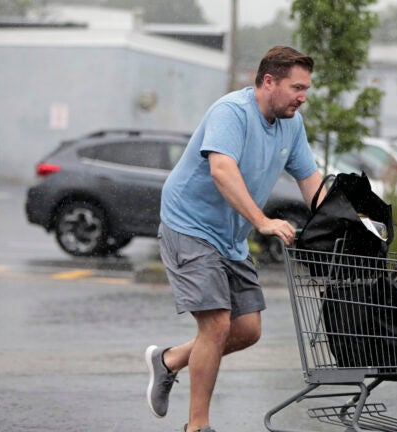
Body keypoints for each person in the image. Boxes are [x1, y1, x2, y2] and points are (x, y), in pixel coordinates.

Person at [144, 45, 323, 432]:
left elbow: (310, 179)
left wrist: (344, 219)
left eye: (306, 88)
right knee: (216, 325)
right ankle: (198, 426)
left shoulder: (291, 123)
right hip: (189, 225)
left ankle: (170, 360)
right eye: (297, 87)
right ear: (268, 81)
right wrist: (263, 221)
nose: (303, 96)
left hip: (230, 235)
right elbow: (221, 170)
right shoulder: (232, 112)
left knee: (247, 331)